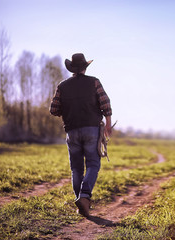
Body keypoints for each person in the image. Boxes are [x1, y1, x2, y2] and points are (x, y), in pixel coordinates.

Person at [49, 53, 112, 217]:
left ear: (72, 69)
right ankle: (84, 197)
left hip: (72, 131)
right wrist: (109, 125)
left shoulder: (62, 86)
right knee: (93, 164)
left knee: (76, 169)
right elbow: (105, 103)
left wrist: (69, 109)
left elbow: (54, 110)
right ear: (84, 68)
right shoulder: (94, 82)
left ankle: (81, 203)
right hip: (92, 129)